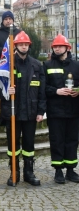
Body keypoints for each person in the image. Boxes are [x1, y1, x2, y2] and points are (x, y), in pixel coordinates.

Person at [0, 31, 46, 186]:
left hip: (31, 113)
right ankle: (14, 173)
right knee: (13, 146)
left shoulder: (37, 65)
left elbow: (42, 91)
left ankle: (28, 172)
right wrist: (6, 91)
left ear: (29, 46)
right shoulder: (8, 64)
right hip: (12, 112)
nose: (23, 46)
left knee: (29, 145)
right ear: (16, 45)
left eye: (26, 44)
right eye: (21, 44)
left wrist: (40, 111)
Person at [43, 34, 79, 184]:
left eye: (60, 46)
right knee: (57, 140)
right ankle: (58, 170)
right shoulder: (47, 65)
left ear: (67, 47)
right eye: (55, 47)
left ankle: (71, 170)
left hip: (74, 110)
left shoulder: (77, 66)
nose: (57, 49)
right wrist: (56, 91)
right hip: (55, 110)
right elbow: (43, 87)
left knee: (72, 140)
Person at [0, 11, 21, 123]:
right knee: (2, 88)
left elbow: (26, 47)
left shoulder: (19, 33)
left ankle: (18, 111)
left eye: (10, 19)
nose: (8, 21)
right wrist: (5, 51)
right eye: (6, 19)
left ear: (13, 20)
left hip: (18, 67)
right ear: (2, 21)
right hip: (2, 66)